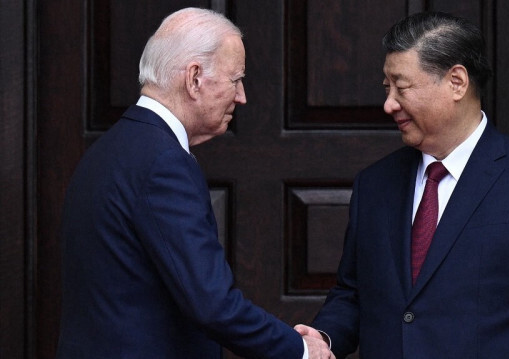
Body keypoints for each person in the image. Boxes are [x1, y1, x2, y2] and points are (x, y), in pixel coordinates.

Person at [295, 11, 509, 358]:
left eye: (402, 87)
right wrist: (323, 339)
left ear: (457, 82)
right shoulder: (375, 184)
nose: (388, 104)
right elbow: (352, 293)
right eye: (387, 88)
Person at [56, 7, 334, 359]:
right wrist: (301, 351)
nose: (242, 96)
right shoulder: (163, 162)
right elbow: (212, 303)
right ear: (194, 78)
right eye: (236, 80)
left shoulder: (111, 148)